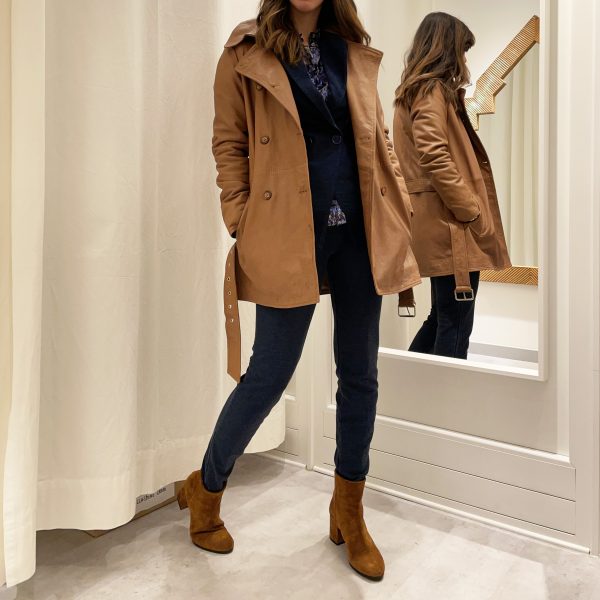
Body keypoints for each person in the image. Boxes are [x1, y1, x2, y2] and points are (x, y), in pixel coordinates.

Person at [176, 0, 420, 581]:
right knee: (270, 372)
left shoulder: (351, 49)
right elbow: (229, 143)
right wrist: (240, 219)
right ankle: (206, 488)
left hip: (360, 231)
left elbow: (378, 138)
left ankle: (348, 511)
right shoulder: (245, 53)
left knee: (360, 374)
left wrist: (400, 200)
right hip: (286, 228)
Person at [393, 12, 511, 359]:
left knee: (442, 318)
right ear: (446, 49)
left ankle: (405, 389)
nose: (464, 60)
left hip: (440, 222)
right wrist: (471, 211)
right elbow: (434, 155)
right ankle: (441, 396)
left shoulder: (419, 91)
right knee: (456, 323)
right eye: (462, 51)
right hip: (451, 225)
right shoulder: (431, 90)